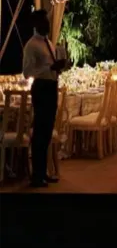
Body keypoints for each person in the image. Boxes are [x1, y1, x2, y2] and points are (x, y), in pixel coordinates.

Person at [23, 10, 66, 187]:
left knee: (47, 131)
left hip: (51, 86)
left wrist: (59, 67)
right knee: (40, 131)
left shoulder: (49, 43)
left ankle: (43, 172)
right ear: (37, 24)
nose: (48, 25)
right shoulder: (31, 45)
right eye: (45, 22)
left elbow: (51, 67)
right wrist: (49, 69)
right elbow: (27, 72)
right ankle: (36, 175)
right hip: (41, 87)